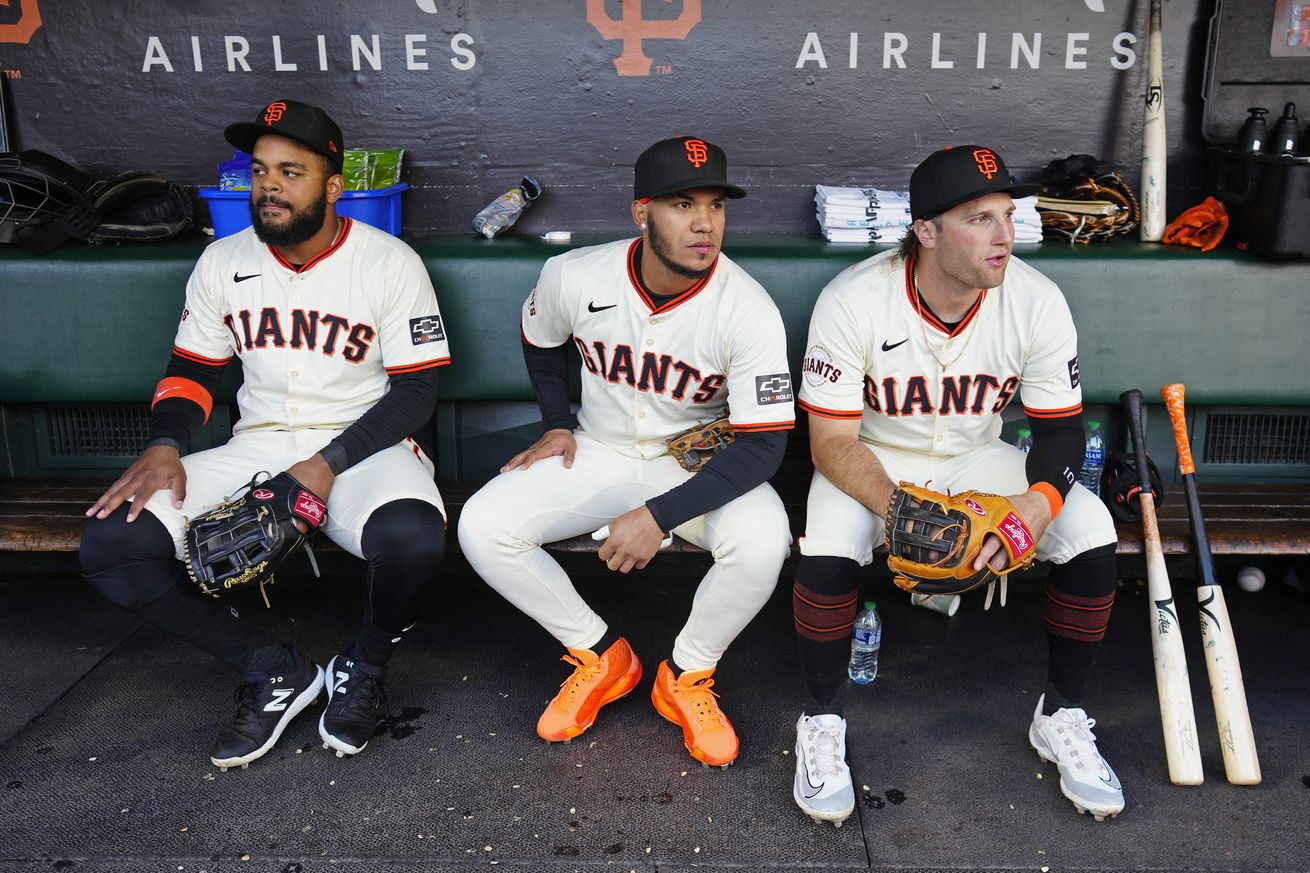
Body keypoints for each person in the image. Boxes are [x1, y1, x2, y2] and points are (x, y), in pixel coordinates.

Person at [79, 100, 451, 770]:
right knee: (114, 541)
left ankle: (362, 666)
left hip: (364, 448)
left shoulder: (390, 263)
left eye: (290, 171)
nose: (269, 186)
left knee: (413, 536)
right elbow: (193, 370)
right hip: (257, 447)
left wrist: (327, 461)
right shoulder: (223, 260)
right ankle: (273, 669)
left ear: (333, 185)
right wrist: (166, 442)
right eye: (259, 171)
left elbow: (418, 393)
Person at [790, 145, 1123, 823]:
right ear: (928, 232)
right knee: (826, 541)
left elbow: (1060, 432)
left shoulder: (1036, 300)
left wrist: (1034, 505)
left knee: (1091, 529)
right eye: (980, 219)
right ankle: (821, 721)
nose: (1005, 236)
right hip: (875, 458)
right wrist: (899, 509)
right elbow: (830, 441)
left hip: (979, 454)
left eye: (1007, 215)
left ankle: (1061, 712)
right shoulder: (853, 299)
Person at [458, 136, 794, 768]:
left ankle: (687, 674)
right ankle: (600, 655)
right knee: (483, 525)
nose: (704, 223)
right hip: (600, 448)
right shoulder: (574, 274)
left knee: (762, 539)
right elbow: (540, 337)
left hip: (694, 461)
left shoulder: (746, 308)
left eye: (717, 206)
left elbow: (765, 444)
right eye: (682, 204)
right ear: (641, 213)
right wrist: (557, 422)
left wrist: (659, 515)